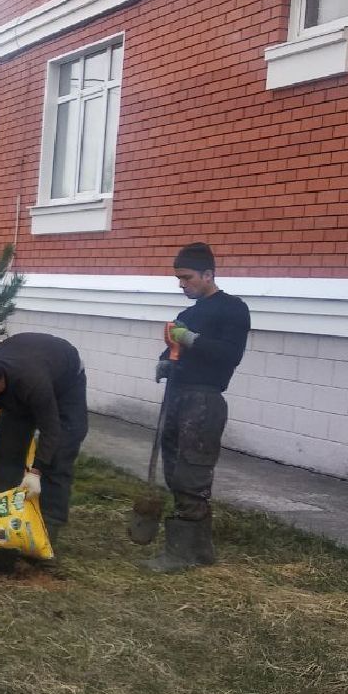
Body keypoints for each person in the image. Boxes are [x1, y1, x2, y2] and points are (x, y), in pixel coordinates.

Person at [143, 242, 250, 572]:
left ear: (208, 274)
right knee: (175, 473)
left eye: (187, 278)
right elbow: (174, 347)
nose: (181, 284)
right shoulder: (187, 314)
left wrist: (190, 339)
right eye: (178, 278)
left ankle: (181, 554)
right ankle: (199, 550)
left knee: (192, 474)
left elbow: (230, 355)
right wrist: (165, 361)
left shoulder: (232, 309)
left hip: (204, 401)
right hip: (177, 396)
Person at [0, 332, 88, 546]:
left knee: (58, 456)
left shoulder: (32, 382)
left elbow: (51, 429)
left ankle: (46, 531)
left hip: (65, 381)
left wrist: (36, 471)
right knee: (6, 452)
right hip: (22, 375)